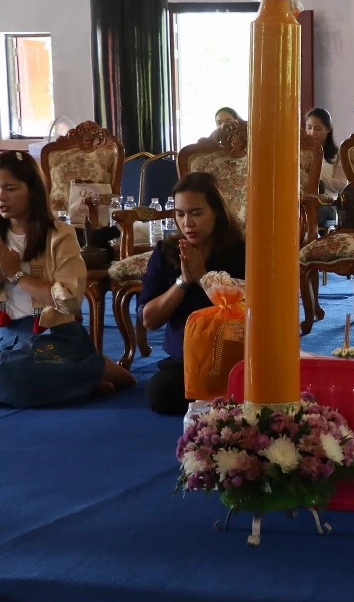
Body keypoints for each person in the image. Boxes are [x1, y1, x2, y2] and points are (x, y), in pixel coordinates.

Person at [0, 151, 135, 407]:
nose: (1, 196)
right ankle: (86, 378)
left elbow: (70, 301)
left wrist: (15, 275)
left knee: (11, 375)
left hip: (52, 335)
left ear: (32, 190)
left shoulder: (59, 235)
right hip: (7, 336)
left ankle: (92, 368)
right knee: (9, 369)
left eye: (9, 188)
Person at [139, 173, 247, 416]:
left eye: (196, 213)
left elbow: (247, 310)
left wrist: (204, 277)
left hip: (233, 357)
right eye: (180, 214)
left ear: (216, 212)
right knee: (160, 394)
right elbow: (149, 319)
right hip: (188, 362)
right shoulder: (166, 251)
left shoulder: (240, 250)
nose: (187, 223)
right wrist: (184, 281)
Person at [306, 107, 345, 227]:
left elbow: (342, 184)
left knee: (311, 214)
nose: (312, 132)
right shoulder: (301, 152)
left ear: (328, 129)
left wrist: (317, 176)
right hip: (303, 202)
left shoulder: (337, 153)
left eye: (318, 128)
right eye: (309, 127)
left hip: (327, 204)